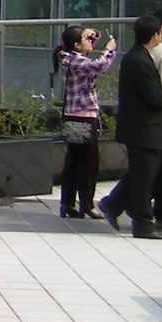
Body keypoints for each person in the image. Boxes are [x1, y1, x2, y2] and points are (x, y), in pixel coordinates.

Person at [53, 24, 116, 218]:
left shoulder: (69, 57)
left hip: (76, 117)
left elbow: (90, 43)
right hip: (84, 117)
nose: (91, 41)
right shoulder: (77, 62)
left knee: (73, 162)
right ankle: (87, 205)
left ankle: (68, 204)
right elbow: (100, 66)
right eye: (86, 39)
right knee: (88, 164)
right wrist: (109, 50)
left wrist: (90, 33)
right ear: (76, 45)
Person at [115, 16, 162, 239]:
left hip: (144, 128)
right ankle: (142, 223)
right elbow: (154, 97)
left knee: (143, 175)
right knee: (144, 178)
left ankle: (114, 205)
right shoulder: (140, 61)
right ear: (155, 34)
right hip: (143, 129)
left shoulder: (139, 57)